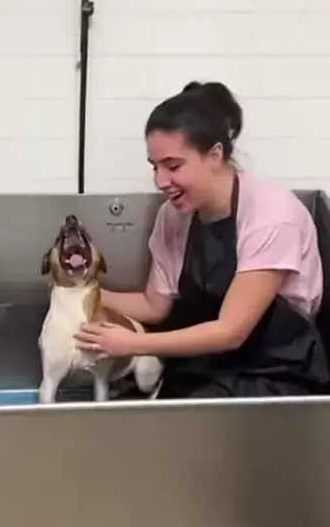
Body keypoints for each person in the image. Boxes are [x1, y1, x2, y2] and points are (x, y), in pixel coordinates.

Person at [75, 80, 330, 398]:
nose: (160, 181)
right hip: (208, 363)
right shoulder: (173, 217)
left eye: (173, 166)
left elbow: (231, 331)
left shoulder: (273, 215)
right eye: (155, 167)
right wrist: (81, 292)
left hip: (276, 373)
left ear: (214, 155)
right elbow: (154, 306)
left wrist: (134, 344)